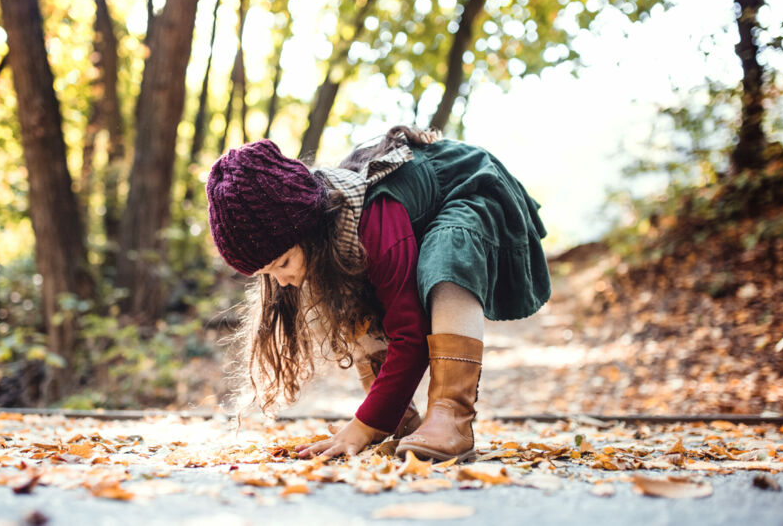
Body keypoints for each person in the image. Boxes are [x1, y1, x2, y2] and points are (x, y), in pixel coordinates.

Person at [205, 125, 550, 461]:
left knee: (446, 256)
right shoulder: (329, 235)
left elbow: (410, 333)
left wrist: (362, 426)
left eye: (283, 263)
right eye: (269, 274)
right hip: (423, 214)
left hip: (474, 188)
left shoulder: (373, 221)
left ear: (308, 229)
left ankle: (450, 418)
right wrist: (381, 416)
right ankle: (401, 420)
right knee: (349, 296)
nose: (282, 281)